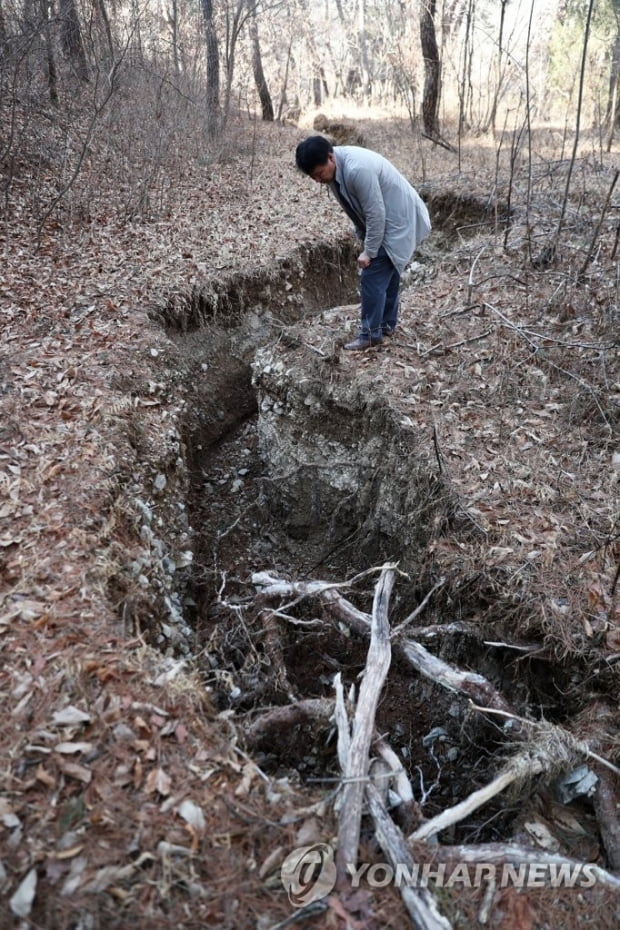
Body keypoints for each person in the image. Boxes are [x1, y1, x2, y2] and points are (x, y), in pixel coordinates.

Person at [295, 135, 431, 351]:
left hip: (398, 220)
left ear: (330, 157)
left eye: (320, 174)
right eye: (314, 178)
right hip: (390, 221)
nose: (319, 180)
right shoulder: (334, 172)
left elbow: (375, 213)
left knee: (372, 274)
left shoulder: (357, 169)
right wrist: (362, 235)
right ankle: (386, 326)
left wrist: (369, 251)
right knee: (389, 273)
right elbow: (353, 208)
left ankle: (370, 334)